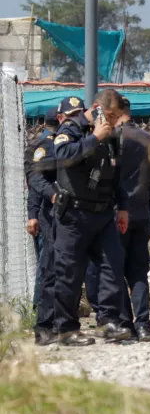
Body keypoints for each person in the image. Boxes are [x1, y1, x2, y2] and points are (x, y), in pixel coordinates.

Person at [50, 89, 132, 346]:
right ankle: (66, 329)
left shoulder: (111, 135)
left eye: (117, 117)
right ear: (96, 108)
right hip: (74, 214)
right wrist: (94, 137)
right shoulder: (72, 129)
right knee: (70, 273)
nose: (114, 121)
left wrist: (123, 206)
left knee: (113, 266)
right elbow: (62, 157)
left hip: (103, 213)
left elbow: (114, 173)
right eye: (110, 115)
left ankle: (107, 321)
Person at [116, 96, 150, 341]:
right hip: (142, 212)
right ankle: (143, 325)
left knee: (116, 270)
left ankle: (125, 323)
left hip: (118, 213)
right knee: (139, 272)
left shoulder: (112, 139)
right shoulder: (148, 139)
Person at [27, 107, 61, 310]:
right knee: (46, 262)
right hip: (45, 210)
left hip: (43, 210)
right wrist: (34, 213)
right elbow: (35, 183)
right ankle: (40, 307)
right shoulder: (45, 145)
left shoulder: (38, 144)